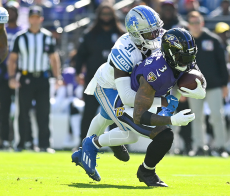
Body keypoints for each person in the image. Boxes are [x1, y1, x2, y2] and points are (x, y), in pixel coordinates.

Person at [71, 6, 205, 183]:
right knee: (130, 133)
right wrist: (164, 101)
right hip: (109, 86)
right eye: (150, 33)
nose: (156, 35)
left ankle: (85, 149)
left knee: (105, 117)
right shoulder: (124, 50)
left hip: (135, 87)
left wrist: (198, 83)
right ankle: (90, 146)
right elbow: (126, 97)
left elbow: (185, 66)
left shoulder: (162, 37)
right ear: (136, 33)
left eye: (157, 29)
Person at [7, 5, 61, 153]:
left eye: (37, 17)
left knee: (43, 112)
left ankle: (44, 144)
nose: (35, 20)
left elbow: (53, 59)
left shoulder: (47, 37)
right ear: (29, 19)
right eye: (32, 17)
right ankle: (23, 143)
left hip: (43, 77)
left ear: (41, 19)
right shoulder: (20, 37)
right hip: (25, 77)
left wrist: (57, 77)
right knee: (23, 112)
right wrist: (12, 77)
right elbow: (12, 60)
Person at [75, 3, 125, 145]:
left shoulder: (122, 36)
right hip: (94, 79)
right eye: (103, 14)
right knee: (89, 112)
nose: (106, 17)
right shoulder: (90, 35)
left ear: (113, 16)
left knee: (119, 112)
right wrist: (78, 72)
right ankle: (83, 142)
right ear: (98, 16)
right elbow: (80, 55)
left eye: (109, 14)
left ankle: (119, 143)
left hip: (117, 80)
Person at [187, 11, 229, 157]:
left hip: (214, 85)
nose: (195, 25)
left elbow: (222, 63)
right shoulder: (185, 41)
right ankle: (199, 146)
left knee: (217, 116)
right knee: (196, 117)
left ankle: (220, 147)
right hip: (193, 86)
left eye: (198, 22)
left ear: (202, 23)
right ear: (188, 25)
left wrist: (225, 84)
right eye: (192, 23)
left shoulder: (213, 39)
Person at [0, 1, 20, 149]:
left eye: (14, 10)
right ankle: (5, 139)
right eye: (9, 10)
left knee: (21, 110)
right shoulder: (2, 30)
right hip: (2, 74)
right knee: (4, 109)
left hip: (20, 74)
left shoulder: (23, 31)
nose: (11, 13)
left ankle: (22, 140)